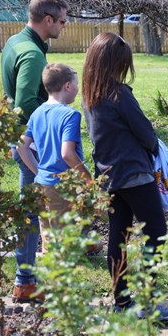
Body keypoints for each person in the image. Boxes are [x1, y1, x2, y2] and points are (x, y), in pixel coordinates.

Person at [81, 32, 168, 323]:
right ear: (113, 63)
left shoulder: (90, 97)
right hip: (135, 174)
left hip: (108, 176)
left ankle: (122, 300)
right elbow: (145, 132)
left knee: (119, 235)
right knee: (157, 231)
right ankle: (149, 301)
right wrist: (154, 147)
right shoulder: (119, 94)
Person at [1, 0, 69, 302]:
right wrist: (50, 119)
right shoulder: (32, 54)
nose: (64, 27)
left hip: (20, 138)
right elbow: (26, 101)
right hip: (30, 142)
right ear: (47, 20)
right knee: (31, 211)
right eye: (62, 22)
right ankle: (25, 279)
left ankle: (28, 275)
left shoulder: (15, 41)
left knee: (32, 207)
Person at [16, 63, 102, 255]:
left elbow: (21, 145)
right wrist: (88, 179)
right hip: (62, 187)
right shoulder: (70, 115)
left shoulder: (37, 113)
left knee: (49, 237)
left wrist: (38, 172)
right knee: (61, 248)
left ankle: (83, 248)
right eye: (76, 84)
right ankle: (57, 282)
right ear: (67, 86)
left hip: (41, 185)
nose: (78, 89)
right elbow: (67, 154)